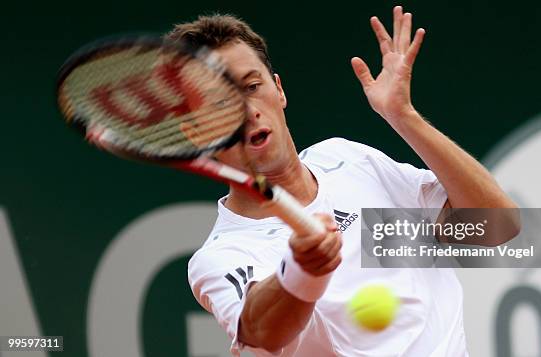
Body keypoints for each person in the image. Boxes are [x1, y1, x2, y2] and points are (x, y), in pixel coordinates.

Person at [167, 6, 518, 356]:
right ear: (197, 132)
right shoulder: (222, 255)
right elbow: (263, 332)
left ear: (279, 90)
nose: (246, 110)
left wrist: (404, 117)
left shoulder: (348, 160)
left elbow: (496, 225)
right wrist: (301, 270)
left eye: (252, 86)